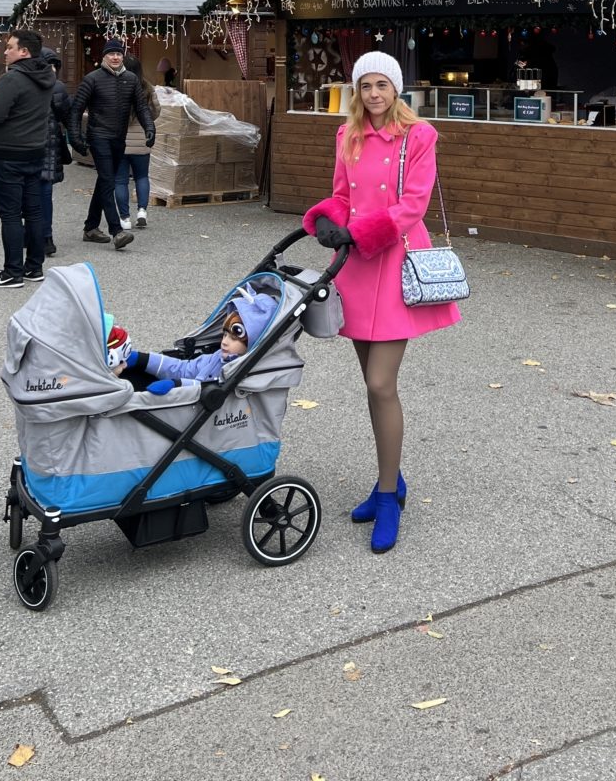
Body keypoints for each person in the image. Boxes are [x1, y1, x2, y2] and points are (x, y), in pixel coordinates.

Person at [302, 51, 460, 554]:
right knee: (371, 388)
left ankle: (389, 495)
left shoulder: (420, 136)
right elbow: (341, 194)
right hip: (356, 267)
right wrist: (328, 218)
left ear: (396, 89)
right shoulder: (346, 135)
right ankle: (388, 479)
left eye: (381, 85)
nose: (373, 94)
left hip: (394, 264)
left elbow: (413, 204)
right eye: (365, 86)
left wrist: (359, 229)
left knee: (380, 383)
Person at [0, 28, 56, 289]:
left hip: (7, 154)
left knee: (10, 215)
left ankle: (12, 272)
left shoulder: (13, 79)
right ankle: (34, 267)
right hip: (34, 151)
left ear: (24, 51)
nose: (5, 51)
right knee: (33, 212)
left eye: (10, 47)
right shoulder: (46, 76)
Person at [68, 38, 156, 251]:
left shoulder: (131, 79)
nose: (115, 57)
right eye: (111, 53)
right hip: (98, 136)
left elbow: (142, 107)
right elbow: (76, 110)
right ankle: (116, 231)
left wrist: (150, 128)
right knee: (109, 180)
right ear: (104, 57)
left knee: (104, 181)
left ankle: (90, 228)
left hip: (119, 137)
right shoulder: (92, 79)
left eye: (118, 53)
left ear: (122, 56)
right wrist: (75, 137)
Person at [125, 288, 278, 392]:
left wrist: (177, 385)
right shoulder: (217, 357)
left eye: (234, 338)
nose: (224, 342)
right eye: (224, 334)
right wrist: (142, 359)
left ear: (254, 341)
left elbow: (211, 387)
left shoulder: (247, 373)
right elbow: (184, 369)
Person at [114, 53, 159, 233]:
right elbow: (156, 112)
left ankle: (124, 218)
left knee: (120, 180)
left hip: (120, 141)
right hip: (142, 141)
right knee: (142, 177)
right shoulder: (148, 88)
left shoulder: (115, 85)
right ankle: (142, 212)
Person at [37, 47, 72, 258]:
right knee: (42, 193)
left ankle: (43, 235)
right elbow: (66, 116)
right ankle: (44, 235)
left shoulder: (28, 84)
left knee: (39, 192)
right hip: (49, 146)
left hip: (42, 146)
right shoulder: (56, 86)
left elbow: (65, 115)